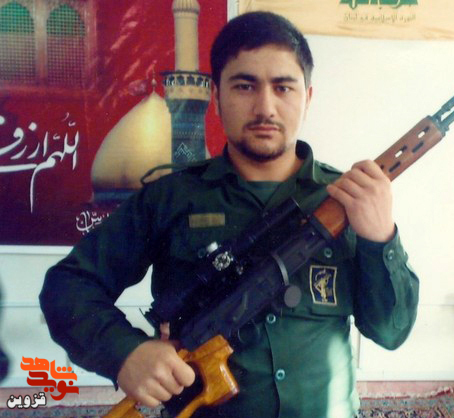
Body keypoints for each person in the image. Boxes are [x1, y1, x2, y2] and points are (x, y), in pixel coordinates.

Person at [40, 11, 420, 418]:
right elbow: (68, 286)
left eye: (283, 87)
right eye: (245, 86)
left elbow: (391, 331)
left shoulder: (347, 200)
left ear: (307, 98)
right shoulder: (171, 198)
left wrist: (381, 238)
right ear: (216, 98)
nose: (265, 107)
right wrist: (126, 353)